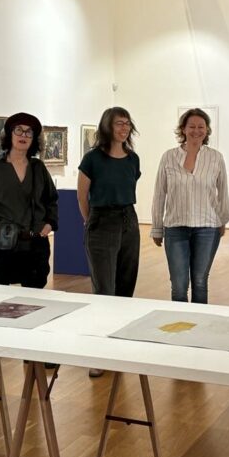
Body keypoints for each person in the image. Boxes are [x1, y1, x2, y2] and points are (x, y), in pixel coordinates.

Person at [0, 112, 58, 378]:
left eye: (29, 132)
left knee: (34, 300)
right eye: (19, 130)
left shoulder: (38, 168)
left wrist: (50, 223)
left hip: (34, 245)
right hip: (1, 246)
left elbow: (52, 200)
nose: (23, 136)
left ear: (34, 139)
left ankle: (33, 352)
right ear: (9, 135)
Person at [78, 106, 140, 377]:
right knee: (104, 289)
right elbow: (82, 196)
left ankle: (118, 346)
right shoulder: (92, 159)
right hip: (101, 221)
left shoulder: (133, 159)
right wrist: (92, 222)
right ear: (107, 126)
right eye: (119, 123)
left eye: (127, 123)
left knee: (126, 285)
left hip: (129, 221)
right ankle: (100, 352)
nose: (124, 128)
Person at [150, 108, 229, 304]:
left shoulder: (216, 157)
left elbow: (223, 192)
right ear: (183, 129)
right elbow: (159, 193)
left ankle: (199, 321)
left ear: (207, 130)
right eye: (191, 126)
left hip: (207, 228)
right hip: (175, 227)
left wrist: (222, 220)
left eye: (201, 126)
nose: (196, 130)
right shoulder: (168, 157)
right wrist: (157, 228)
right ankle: (180, 322)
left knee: (200, 282)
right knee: (179, 286)